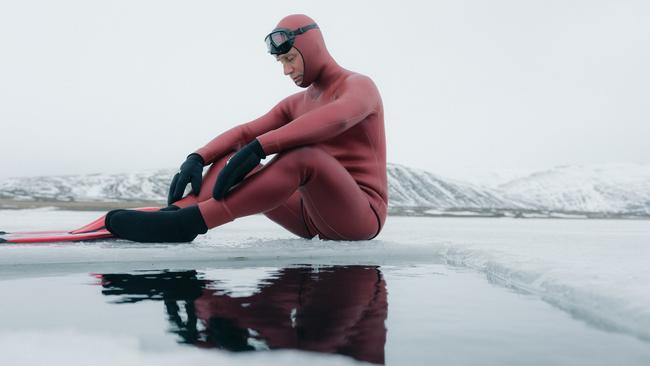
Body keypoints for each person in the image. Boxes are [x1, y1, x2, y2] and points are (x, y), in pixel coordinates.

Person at [105, 14, 387, 242]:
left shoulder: (359, 86)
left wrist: (262, 147)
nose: (286, 71)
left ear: (312, 50)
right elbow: (244, 134)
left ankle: (188, 224)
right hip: (307, 216)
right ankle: (175, 213)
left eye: (289, 59)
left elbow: (338, 118)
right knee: (231, 156)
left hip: (360, 217)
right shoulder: (295, 103)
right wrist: (198, 158)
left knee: (304, 156)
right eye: (281, 62)